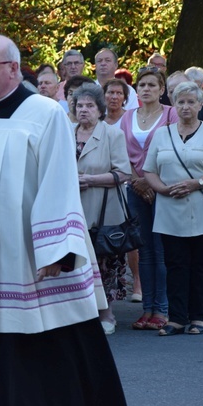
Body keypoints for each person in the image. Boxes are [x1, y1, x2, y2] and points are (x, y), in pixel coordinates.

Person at [0, 35, 126, 406]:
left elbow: (58, 182)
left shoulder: (45, 113)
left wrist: (55, 250)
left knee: (40, 341)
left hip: (26, 254)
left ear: (13, 68)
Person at [143, 81, 203, 335]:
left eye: (190, 102)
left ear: (200, 105)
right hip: (170, 208)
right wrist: (161, 189)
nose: (185, 107)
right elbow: (149, 170)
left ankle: (199, 317)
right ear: (174, 104)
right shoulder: (162, 133)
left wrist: (197, 183)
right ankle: (176, 318)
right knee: (175, 264)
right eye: (180, 102)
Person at [119, 66, 178, 331]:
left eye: (152, 85)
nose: (146, 89)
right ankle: (147, 309)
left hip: (163, 188)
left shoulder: (171, 115)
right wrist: (137, 180)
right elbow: (121, 152)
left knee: (161, 249)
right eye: (142, 85)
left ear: (162, 90)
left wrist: (153, 182)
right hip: (135, 189)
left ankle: (162, 310)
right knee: (143, 250)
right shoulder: (127, 116)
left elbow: (176, 150)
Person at [72, 83, 131, 335]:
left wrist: (90, 180)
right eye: (79, 105)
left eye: (89, 106)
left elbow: (124, 172)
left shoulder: (112, 134)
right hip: (73, 209)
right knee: (76, 261)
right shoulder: (66, 131)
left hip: (103, 209)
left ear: (100, 109)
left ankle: (107, 314)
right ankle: (80, 314)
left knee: (104, 261)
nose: (84, 110)